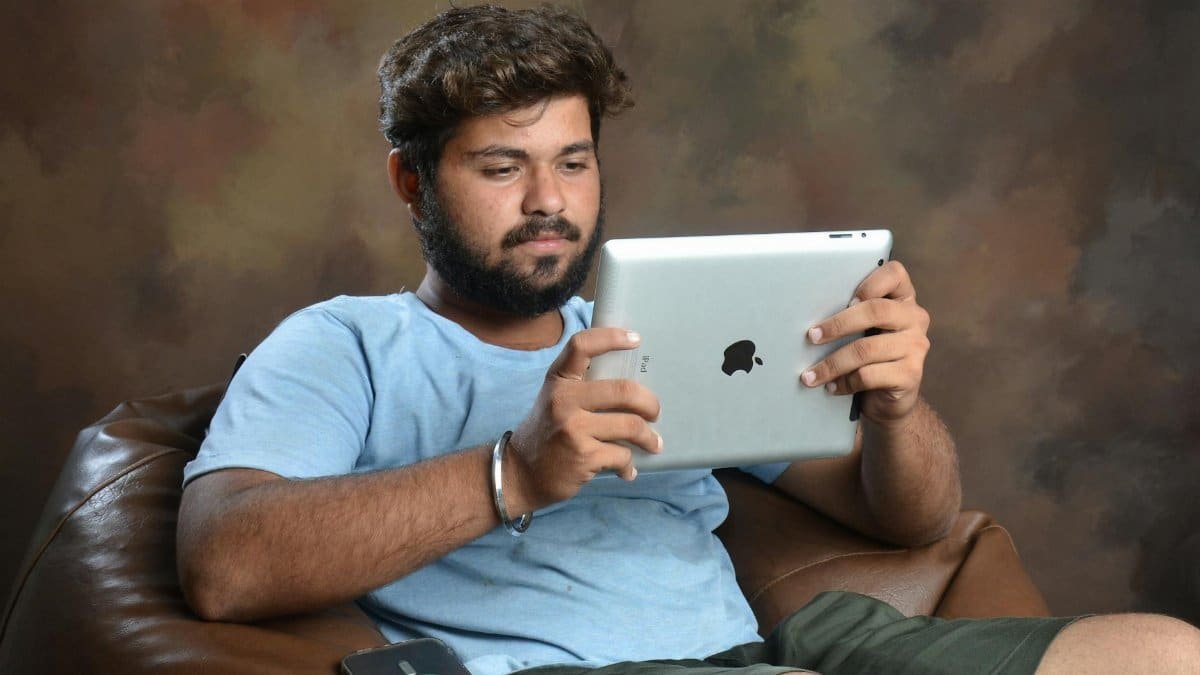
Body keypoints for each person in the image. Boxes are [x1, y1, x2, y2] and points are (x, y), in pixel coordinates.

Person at [176, 5, 1200, 674]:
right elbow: (222, 563)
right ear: (413, 182)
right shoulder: (347, 344)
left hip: (788, 652)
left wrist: (893, 410)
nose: (549, 202)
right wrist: (514, 474)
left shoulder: (658, 327)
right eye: (502, 168)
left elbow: (907, 517)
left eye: (573, 163)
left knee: (1163, 654)